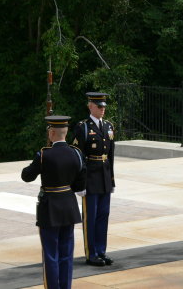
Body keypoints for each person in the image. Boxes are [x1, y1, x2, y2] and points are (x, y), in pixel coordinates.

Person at [21, 115, 86, 289]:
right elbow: (80, 184)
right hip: (69, 207)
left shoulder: (44, 154)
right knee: (66, 254)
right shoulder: (76, 153)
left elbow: (26, 176)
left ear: (51, 132)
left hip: (50, 209)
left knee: (51, 255)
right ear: (65, 133)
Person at [72, 92, 115, 267]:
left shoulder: (109, 126)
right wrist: (80, 183)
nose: (102, 109)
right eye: (99, 106)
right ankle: (91, 254)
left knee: (103, 215)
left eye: (104, 106)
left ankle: (101, 251)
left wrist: (111, 180)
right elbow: (77, 156)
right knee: (91, 217)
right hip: (90, 177)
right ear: (90, 106)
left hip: (104, 177)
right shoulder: (82, 127)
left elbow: (111, 155)